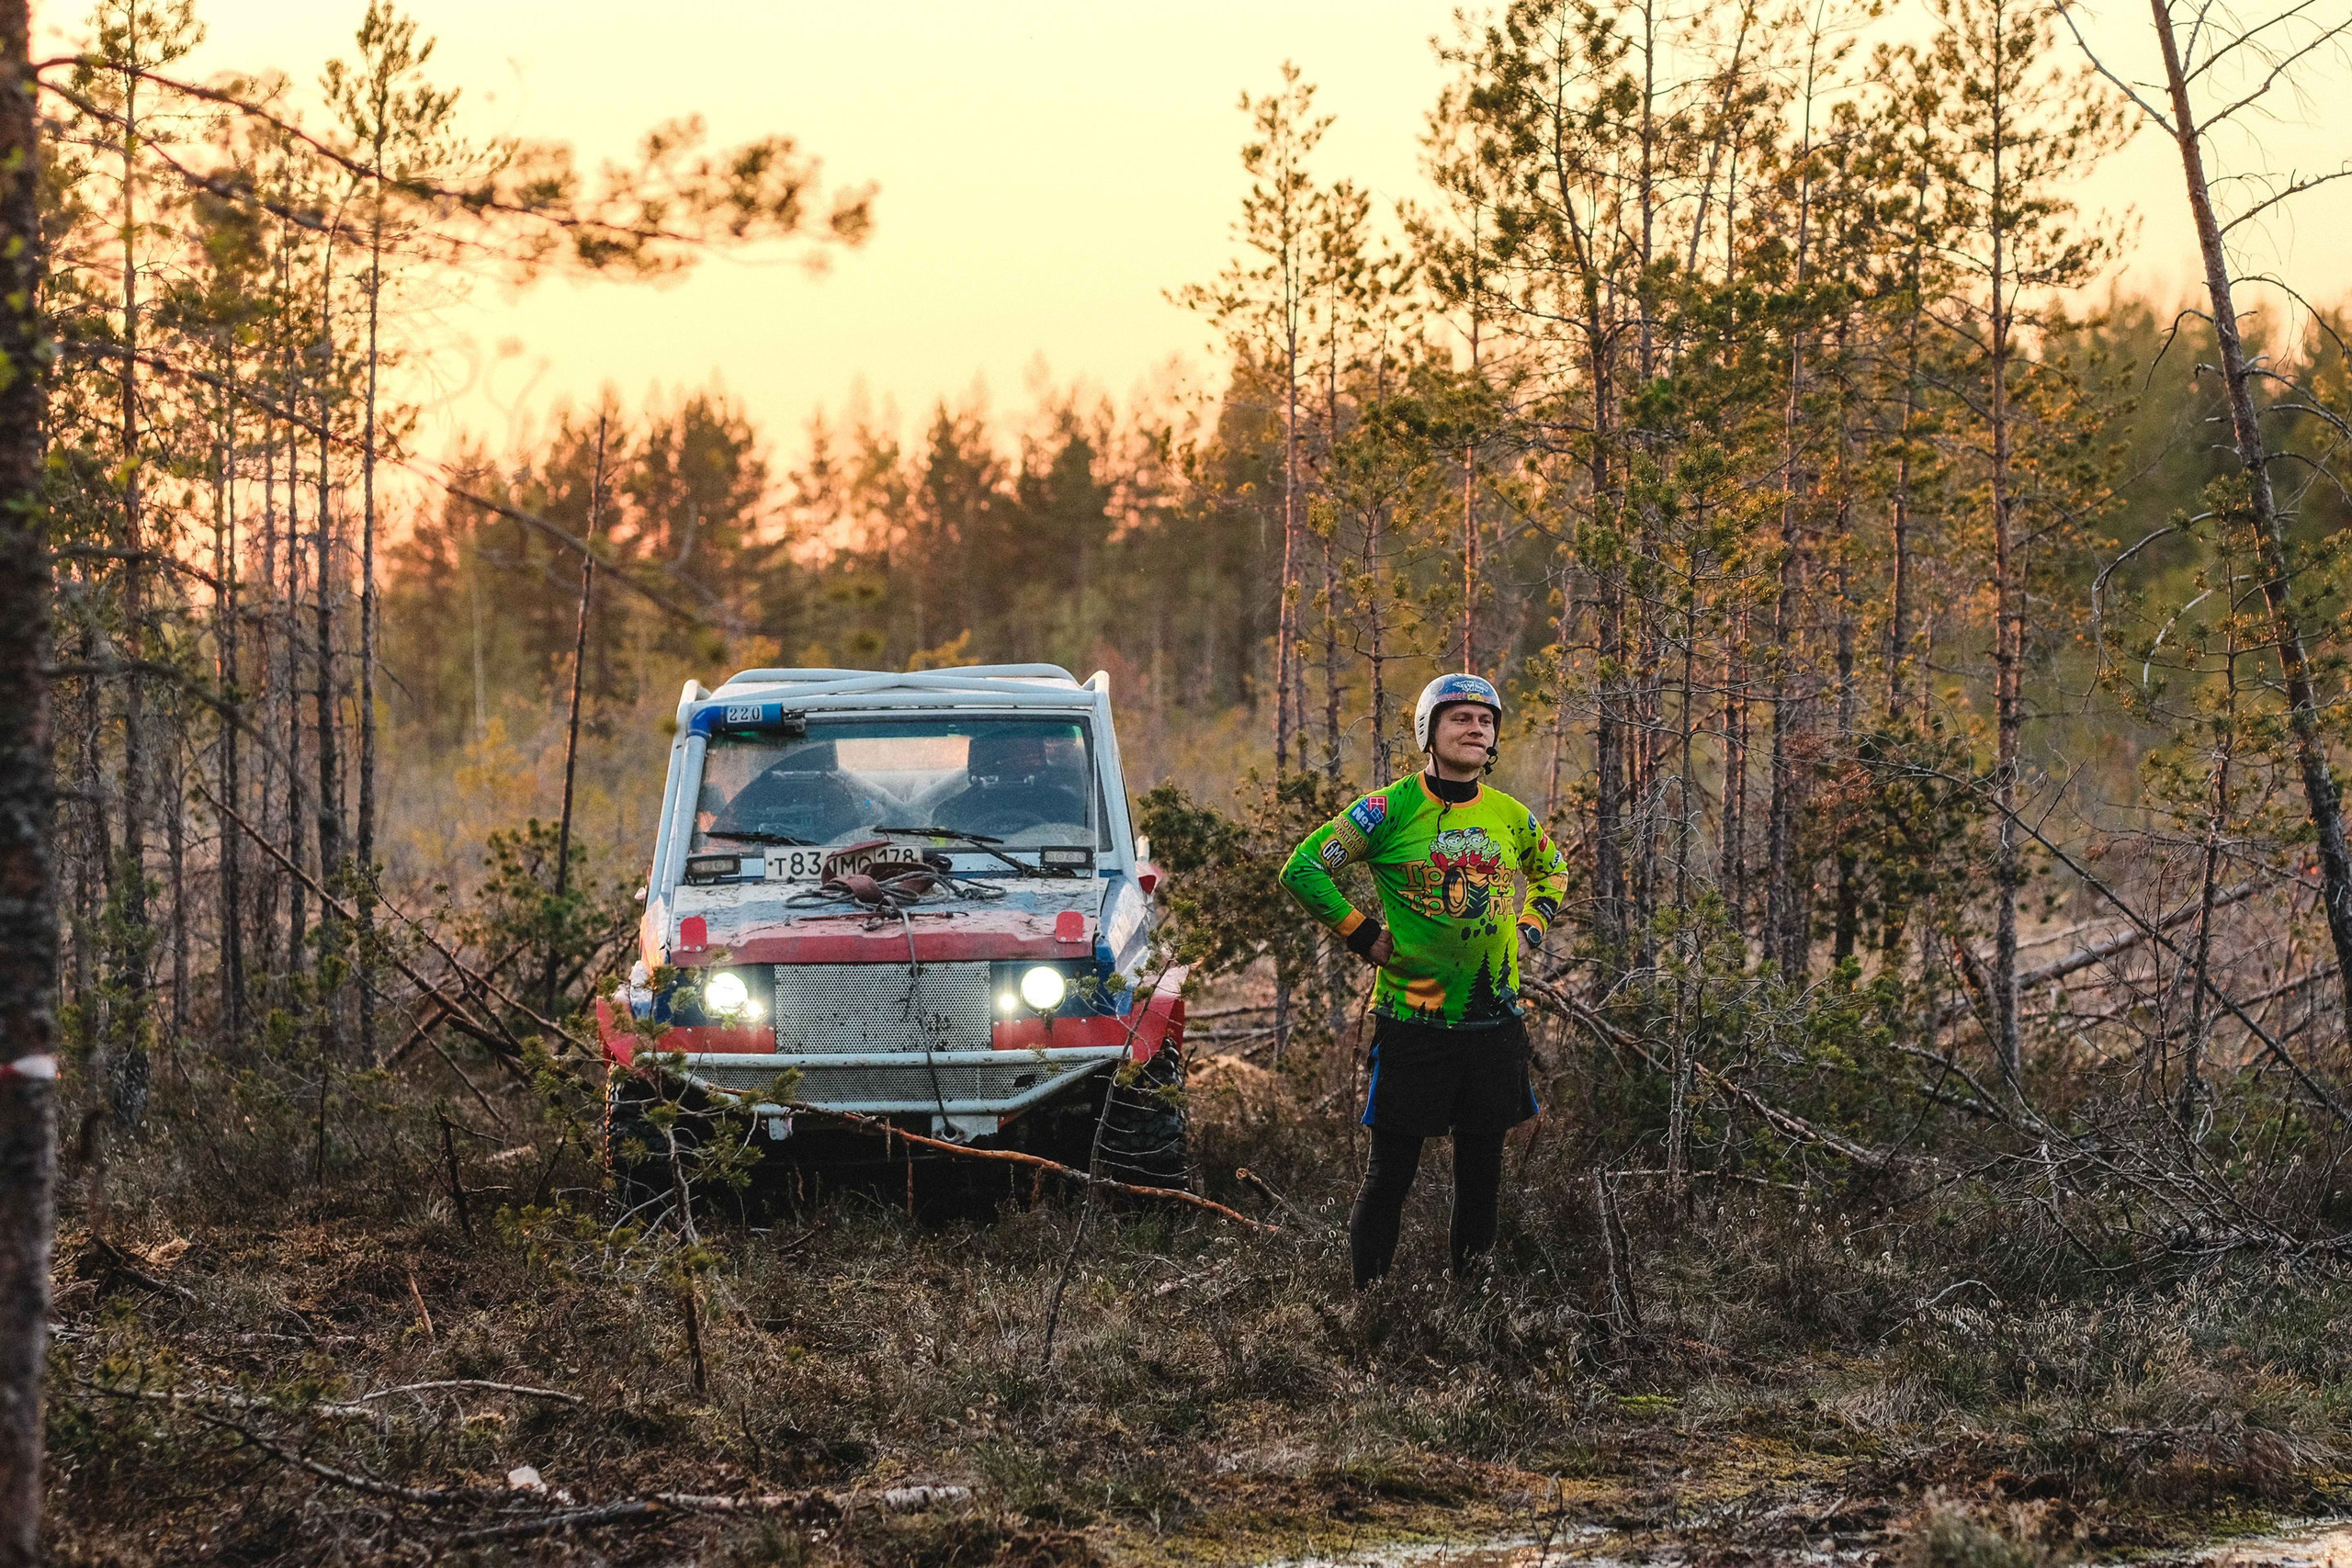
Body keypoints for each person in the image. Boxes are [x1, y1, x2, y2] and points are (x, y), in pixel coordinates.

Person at [1279, 673, 1571, 1287]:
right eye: (1459, 717)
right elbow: (1304, 866)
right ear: (1428, 731)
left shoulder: (1510, 815)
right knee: (1392, 1173)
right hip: (1415, 1024)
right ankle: (1370, 1311)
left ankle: (1471, 1306)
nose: (1476, 728)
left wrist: (1529, 928)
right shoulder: (1386, 810)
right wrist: (1360, 931)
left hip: (1495, 1023)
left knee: (1482, 1173)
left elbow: (1553, 872)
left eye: (1486, 720)